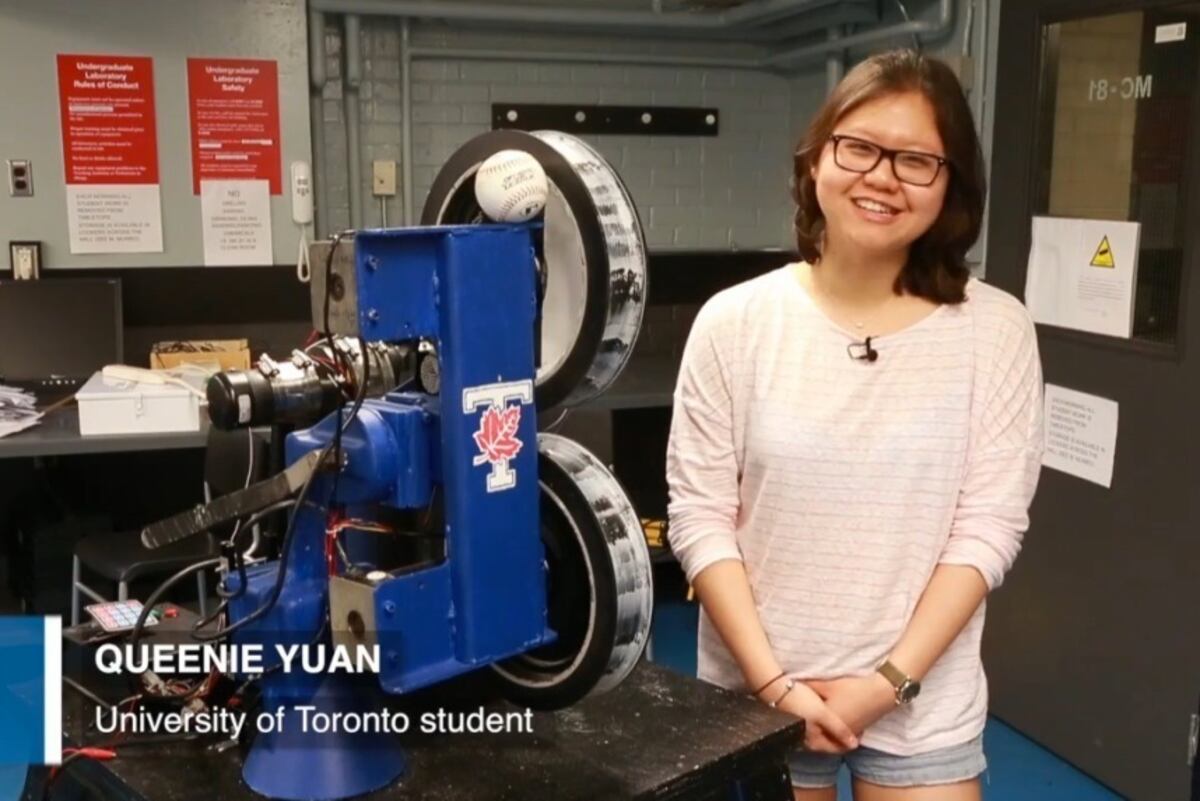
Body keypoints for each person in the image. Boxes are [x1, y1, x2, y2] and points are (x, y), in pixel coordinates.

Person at [666, 49, 1044, 801]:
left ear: (951, 185)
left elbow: (987, 528)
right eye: (859, 147)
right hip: (755, 702)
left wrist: (887, 683)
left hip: (921, 705)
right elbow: (700, 518)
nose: (882, 177)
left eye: (916, 160)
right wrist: (774, 685)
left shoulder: (996, 330)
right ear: (817, 159)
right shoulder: (734, 322)